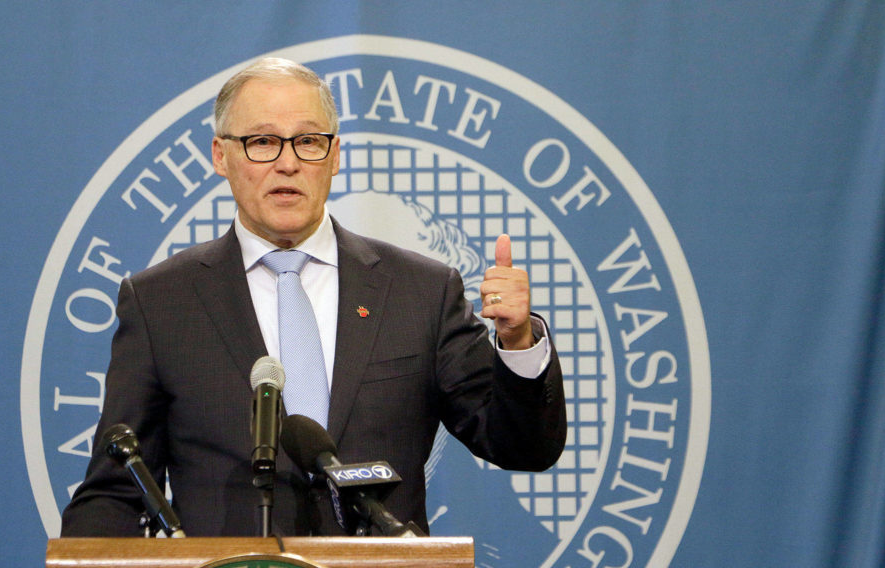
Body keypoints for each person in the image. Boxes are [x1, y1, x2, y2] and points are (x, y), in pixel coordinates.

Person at [60, 58, 566, 537]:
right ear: (221, 156)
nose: (287, 163)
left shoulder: (421, 291)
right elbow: (115, 491)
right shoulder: (160, 303)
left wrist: (518, 342)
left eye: (307, 141)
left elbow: (523, 447)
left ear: (335, 156)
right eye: (261, 142)